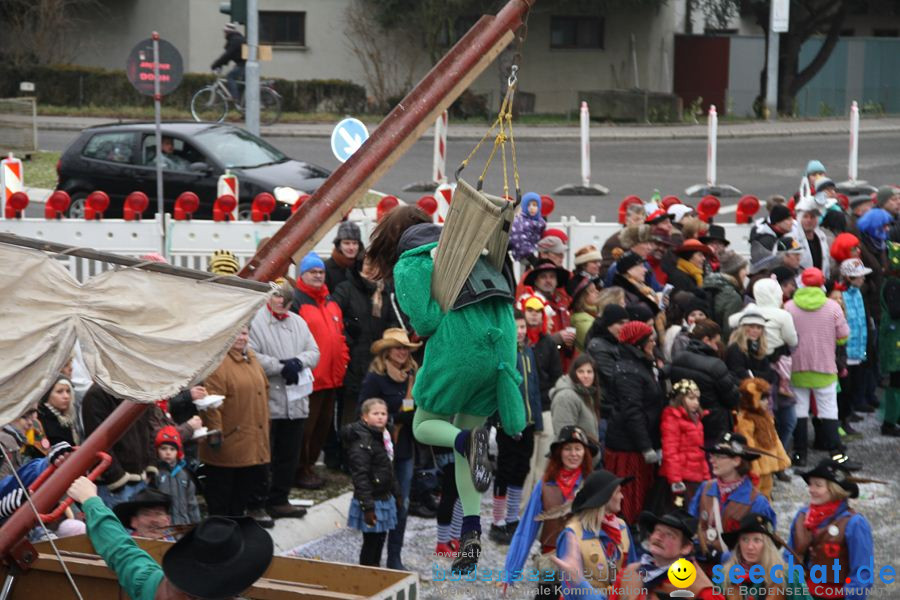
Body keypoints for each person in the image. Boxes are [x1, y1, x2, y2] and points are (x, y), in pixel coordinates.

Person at [366, 206, 526, 574]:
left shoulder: (412, 262)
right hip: (501, 347)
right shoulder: (476, 247)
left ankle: (463, 442)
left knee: (426, 424)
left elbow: (426, 320)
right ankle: (471, 530)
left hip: (460, 348)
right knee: (470, 443)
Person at [66, 475, 273, 600]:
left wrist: (91, 501)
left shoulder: (155, 586)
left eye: (159, 513)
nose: (156, 520)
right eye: (148, 513)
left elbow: (121, 550)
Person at [248, 280, 320, 518]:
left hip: (296, 400)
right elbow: (251, 355)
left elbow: (314, 351)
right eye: (278, 296)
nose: (282, 302)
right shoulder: (255, 321)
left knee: (289, 454)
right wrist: (280, 366)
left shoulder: (298, 322)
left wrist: (298, 362)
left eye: (286, 298)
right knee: (263, 456)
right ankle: (258, 502)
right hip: (268, 401)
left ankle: (280, 498)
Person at [504, 426, 598, 599]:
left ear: (585, 453)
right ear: (559, 453)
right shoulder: (545, 485)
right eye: (568, 449)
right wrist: (510, 573)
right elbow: (525, 530)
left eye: (578, 449)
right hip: (551, 561)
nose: (573, 454)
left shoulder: (593, 484)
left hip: (583, 563)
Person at [358, 328, 421, 569]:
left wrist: (414, 416)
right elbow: (361, 415)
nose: (403, 351)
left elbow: (416, 408)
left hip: (404, 450)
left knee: (401, 505)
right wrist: (394, 418)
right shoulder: (375, 378)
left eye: (405, 347)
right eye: (398, 347)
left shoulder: (412, 377)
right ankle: (370, 562)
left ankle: (395, 558)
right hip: (378, 452)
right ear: (387, 351)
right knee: (378, 504)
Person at [199, 325, 272, 526]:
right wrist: (215, 433)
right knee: (221, 499)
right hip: (229, 441)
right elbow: (211, 403)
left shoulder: (251, 358)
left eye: (245, 333)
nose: (241, 337)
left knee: (241, 496)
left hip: (251, 439)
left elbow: (263, 391)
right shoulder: (218, 364)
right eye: (237, 333)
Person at [560, 510, 721, 600]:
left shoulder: (700, 588)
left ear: (686, 548)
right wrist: (579, 581)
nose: (658, 537)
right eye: (657, 531)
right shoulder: (630, 573)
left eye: (670, 535)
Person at [293, 252, 349, 490]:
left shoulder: (331, 303)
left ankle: (311, 466)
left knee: (322, 428)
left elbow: (340, 336)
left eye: (320, 272)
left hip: (332, 378)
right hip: (311, 379)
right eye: (312, 272)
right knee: (305, 429)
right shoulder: (298, 302)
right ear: (302, 275)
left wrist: (343, 360)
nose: (318, 276)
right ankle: (300, 469)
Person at [785, 268, 850, 467]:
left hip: (797, 366)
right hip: (825, 366)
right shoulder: (832, 307)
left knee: (800, 409)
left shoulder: (789, 306)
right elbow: (843, 336)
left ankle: (800, 453)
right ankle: (835, 453)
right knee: (829, 409)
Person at [490, 309, 543, 545]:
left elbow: (534, 390)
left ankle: (512, 517)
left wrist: (537, 421)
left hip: (529, 421)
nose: (520, 332)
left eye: (523, 327)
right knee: (506, 468)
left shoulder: (529, 352)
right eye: (516, 327)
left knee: (522, 468)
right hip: (509, 422)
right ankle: (497, 520)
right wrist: (502, 420)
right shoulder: (502, 353)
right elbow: (499, 390)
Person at [604, 321, 665, 523]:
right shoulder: (628, 371)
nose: (654, 343)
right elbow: (632, 411)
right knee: (629, 497)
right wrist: (646, 446)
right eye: (650, 340)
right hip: (629, 447)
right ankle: (626, 532)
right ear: (639, 342)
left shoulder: (641, 364)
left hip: (638, 443)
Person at [787, 459, 875, 599]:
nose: (811, 490)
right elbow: (788, 557)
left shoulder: (855, 523)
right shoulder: (802, 515)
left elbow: (862, 573)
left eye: (818, 485)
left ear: (834, 489)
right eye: (810, 484)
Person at [689, 432, 776, 570]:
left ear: (737, 460)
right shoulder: (705, 488)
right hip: (698, 570)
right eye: (712, 455)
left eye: (719, 456)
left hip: (735, 577)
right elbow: (689, 524)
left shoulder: (757, 502)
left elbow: (764, 548)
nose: (712, 460)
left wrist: (723, 557)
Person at [554, 470, 638, 597]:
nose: (622, 496)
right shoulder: (572, 534)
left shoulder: (621, 527)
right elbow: (571, 592)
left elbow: (633, 575)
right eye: (618, 492)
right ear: (605, 498)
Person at [344, 398, 400, 567]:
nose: (380, 417)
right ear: (365, 417)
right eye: (375, 413)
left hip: (384, 497)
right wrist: (367, 507)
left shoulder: (384, 437)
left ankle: (376, 571)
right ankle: (367, 573)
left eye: (383, 413)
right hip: (371, 500)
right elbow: (360, 477)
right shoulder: (362, 443)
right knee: (370, 542)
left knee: (380, 541)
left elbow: (389, 468)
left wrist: (397, 493)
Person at [670, 319, 740, 446]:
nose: (718, 346)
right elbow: (732, 399)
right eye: (716, 342)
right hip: (714, 427)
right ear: (707, 340)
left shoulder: (677, 359)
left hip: (686, 422)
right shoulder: (715, 365)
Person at [718, 513, 814, 600]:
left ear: (768, 545)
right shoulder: (723, 576)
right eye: (745, 540)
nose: (750, 547)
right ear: (739, 544)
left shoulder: (787, 576)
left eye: (757, 540)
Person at [734, 379, 791, 499]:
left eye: (766, 399)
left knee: (766, 492)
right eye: (762, 399)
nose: (766, 402)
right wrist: (753, 466)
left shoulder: (766, 417)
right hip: (758, 468)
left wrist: (781, 458)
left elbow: (775, 440)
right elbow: (748, 446)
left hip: (768, 466)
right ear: (752, 400)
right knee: (754, 495)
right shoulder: (746, 420)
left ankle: (765, 514)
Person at [659, 379, 709, 511]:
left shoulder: (697, 419)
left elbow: (700, 453)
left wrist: (706, 477)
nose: (696, 403)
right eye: (691, 398)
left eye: (697, 399)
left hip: (696, 478)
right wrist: (675, 480)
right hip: (681, 480)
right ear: (681, 398)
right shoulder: (672, 417)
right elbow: (670, 451)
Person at [150, 426, 201, 526]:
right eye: (163, 448)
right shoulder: (155, 474)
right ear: (157, 451)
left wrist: (196, 525)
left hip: (183, 524)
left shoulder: (184, 475)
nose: (168, 452)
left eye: (172, 449)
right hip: (164, 527)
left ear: (178, 452)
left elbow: (192, 503)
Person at [550, 355, 602, 447]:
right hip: (574, 458)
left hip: (586, 456)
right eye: (581, 371)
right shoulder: (566, 397)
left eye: (589, 372)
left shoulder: (586, 393)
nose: (586, 376)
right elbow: (564, 438)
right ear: (573, 373)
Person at [702, 249, 749, 339]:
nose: (746, 273)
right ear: (735, 271)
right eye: (744, 269)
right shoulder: (733, 297)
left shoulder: (712, 285)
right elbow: (730, 331)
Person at [879, 241, 900, 436]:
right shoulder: (893, 284)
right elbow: (895, 311)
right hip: (894, 340)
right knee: (895, 380)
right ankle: (889, 421)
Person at [724, 310, 776, 386]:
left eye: (759, 328)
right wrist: (758, 375)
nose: (755, 331)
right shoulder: (735, 348)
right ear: (743, 328)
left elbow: (770, 375)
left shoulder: (759, 347)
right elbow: (739, 373)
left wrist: (751, 373)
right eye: (751, 327)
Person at [585, 303, 630, 391]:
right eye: (620, 323)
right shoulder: (598, 346)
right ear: (608, 324)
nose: (625, 327)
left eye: (626, 323)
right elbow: (613, 378)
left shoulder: (619, 342)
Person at [600, 203, 646, 278]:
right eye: (636, 219)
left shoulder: (640, 238)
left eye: (642, 219)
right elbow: (608, 269)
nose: (640, 223)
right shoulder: (617, 240)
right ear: (627, 221)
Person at [662, 291, 709, 362]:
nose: (697, 317)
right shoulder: (681, 334)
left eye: (701, 314)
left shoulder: (711, 330)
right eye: (693, 315)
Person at [791, 199, 831, 279]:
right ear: (799, 219)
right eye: (805, 217)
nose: (809, 220)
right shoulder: (793, 238)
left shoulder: (821, 236)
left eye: (812, 217)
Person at [37, 376, 79, 446]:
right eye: (59, 392)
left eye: (68, 391)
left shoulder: (65, 419)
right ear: (48, 395)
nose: (66, 396)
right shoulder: (43, 420)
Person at [211, 22, 247, 101]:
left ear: (228, 32)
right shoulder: (237, 39)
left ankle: (235, 97)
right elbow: (229, 56)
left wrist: (215, 65)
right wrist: (221, 64)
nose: (224, 34)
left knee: (230, 76)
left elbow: (227, 55)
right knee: (241, 84)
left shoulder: (235, 40)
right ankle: (242, 105)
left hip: (244, 65)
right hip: (244, 63)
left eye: (225, 32)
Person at [568, 274, 603, 351]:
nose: (597, 292)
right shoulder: (580, 320)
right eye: (592, 291)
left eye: (596, 289)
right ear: (583, 296)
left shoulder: (595, 313)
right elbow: (595, 344)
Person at [325, 221, 363, 292]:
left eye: (355, 243)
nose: (351, 247)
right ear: (339, 245)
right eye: (346, 243)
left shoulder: (364, 266)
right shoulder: (327, 268)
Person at [510, 192, 547, 262]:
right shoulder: (520, 222)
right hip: (525, 254)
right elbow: (519, 239)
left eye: (535, 205)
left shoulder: (539, 222)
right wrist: (531, 255)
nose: (532, 208)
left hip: (535, 251)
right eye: (528, 205)